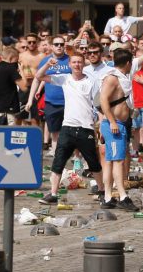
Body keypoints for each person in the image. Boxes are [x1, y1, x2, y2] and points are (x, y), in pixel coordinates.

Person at [35, 54, 110, 207]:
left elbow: (99, 104)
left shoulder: (91, 81)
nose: (77, 65)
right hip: (68, 126)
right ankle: (54, 193)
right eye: (74, 62)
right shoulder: (65, 78)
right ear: (69, 64)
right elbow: (39, 76)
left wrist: (102, 125)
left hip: (86, 127)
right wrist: (48, 64)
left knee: (93, 163)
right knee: (58, 162)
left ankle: (102, 191)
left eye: (80, 62)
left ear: (84, 64)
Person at [99, 48, 135, 210]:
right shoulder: (112, 79)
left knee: (111, 162)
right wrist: (112, 122)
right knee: (118, 161)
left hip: (117, 124)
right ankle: (122, 195)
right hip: (113, 125)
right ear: (128, 63)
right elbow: (103, 101)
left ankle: (107, 197)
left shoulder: (120, 77)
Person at [26, 35, 71, 155]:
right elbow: (37, 79)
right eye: (56, 44)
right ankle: (56, 156)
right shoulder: (45, 61)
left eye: (62, 44)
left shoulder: (71, 59)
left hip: (70, 102)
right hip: (51, 102)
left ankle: (74, 159)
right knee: (54, 131)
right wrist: (30, 100)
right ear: (51, 46)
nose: (59, 47)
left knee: (71, 131)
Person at [0, 46, 26, 125]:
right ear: (11, 57)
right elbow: (24, 87)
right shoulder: (11, 68)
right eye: (16, 59)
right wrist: (21, 70)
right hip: (9, 110)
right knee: (9, 135)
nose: (17, 61)